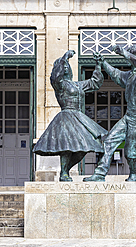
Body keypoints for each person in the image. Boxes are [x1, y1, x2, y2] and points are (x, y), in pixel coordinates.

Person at [33, 50, 107, 182]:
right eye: (63, 66)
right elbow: (55, 77)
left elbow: (95, 83)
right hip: (66, 117)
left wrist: (98, 65)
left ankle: (68, 170)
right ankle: (64, 173)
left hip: (79, 117)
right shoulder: (60, 85)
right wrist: (64, 58)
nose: (66, 68)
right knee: (67, 147)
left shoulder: (77, 85)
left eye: (67, 66)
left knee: (87, 146)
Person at [84, 45, 136, 182]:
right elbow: (115, 74)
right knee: (109, 141)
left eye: (134, 55)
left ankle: (134, 173)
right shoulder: (130, 76)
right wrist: (103, 62)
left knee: (130, 151)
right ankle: (100, 173)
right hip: (128, 117)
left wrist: (123, 52)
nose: (132, 58)